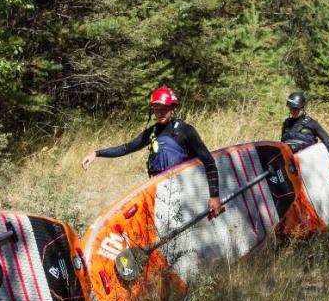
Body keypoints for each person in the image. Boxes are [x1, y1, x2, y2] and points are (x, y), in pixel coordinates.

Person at [81, 87, 224, 218]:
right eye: (156, 109)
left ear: (172, 108)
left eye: (164, 109)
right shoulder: (152, 132)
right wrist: (96, 153)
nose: (160, 113)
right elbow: (126, 148)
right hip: (160, 194)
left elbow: (209, 162)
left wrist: (214, 196)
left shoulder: (186, 130)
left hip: (185, 194)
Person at [280, 91, 329, 182]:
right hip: (291, 168)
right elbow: (282, 145)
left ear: (302, 107)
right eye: (291, 108)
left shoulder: (312, 123)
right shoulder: (286, 123)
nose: (293, 111)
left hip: (309, 169)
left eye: (296, 108)